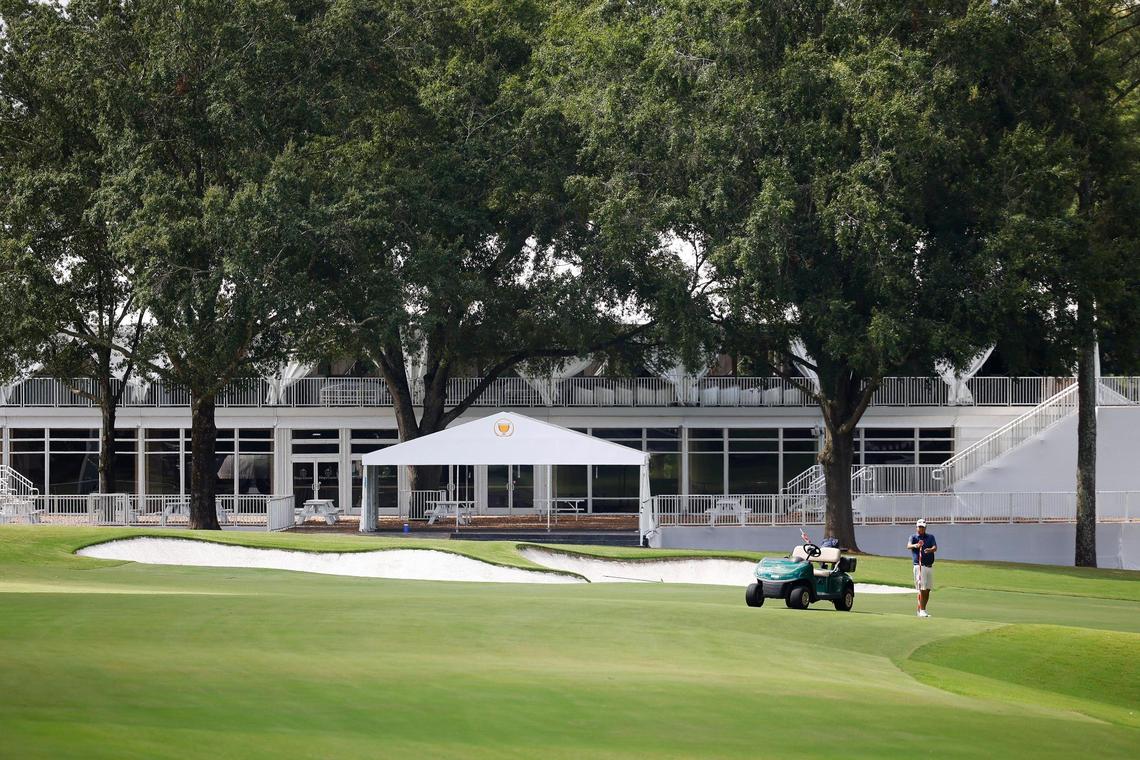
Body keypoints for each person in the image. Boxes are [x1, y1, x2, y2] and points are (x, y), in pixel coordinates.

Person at [907, 519, 937, 617]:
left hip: (929, 566)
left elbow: (935, 547)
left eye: (922, 527)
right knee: (922, 588)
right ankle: (922, 610)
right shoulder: (913, 537)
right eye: (919, 527)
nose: (921, 529)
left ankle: (922, 609)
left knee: (928, 589)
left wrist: (930, 550)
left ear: (925, 528)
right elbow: (908, 546)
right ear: (916, 527)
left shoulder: (930, 537)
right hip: (919, 566)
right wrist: (916, 545)